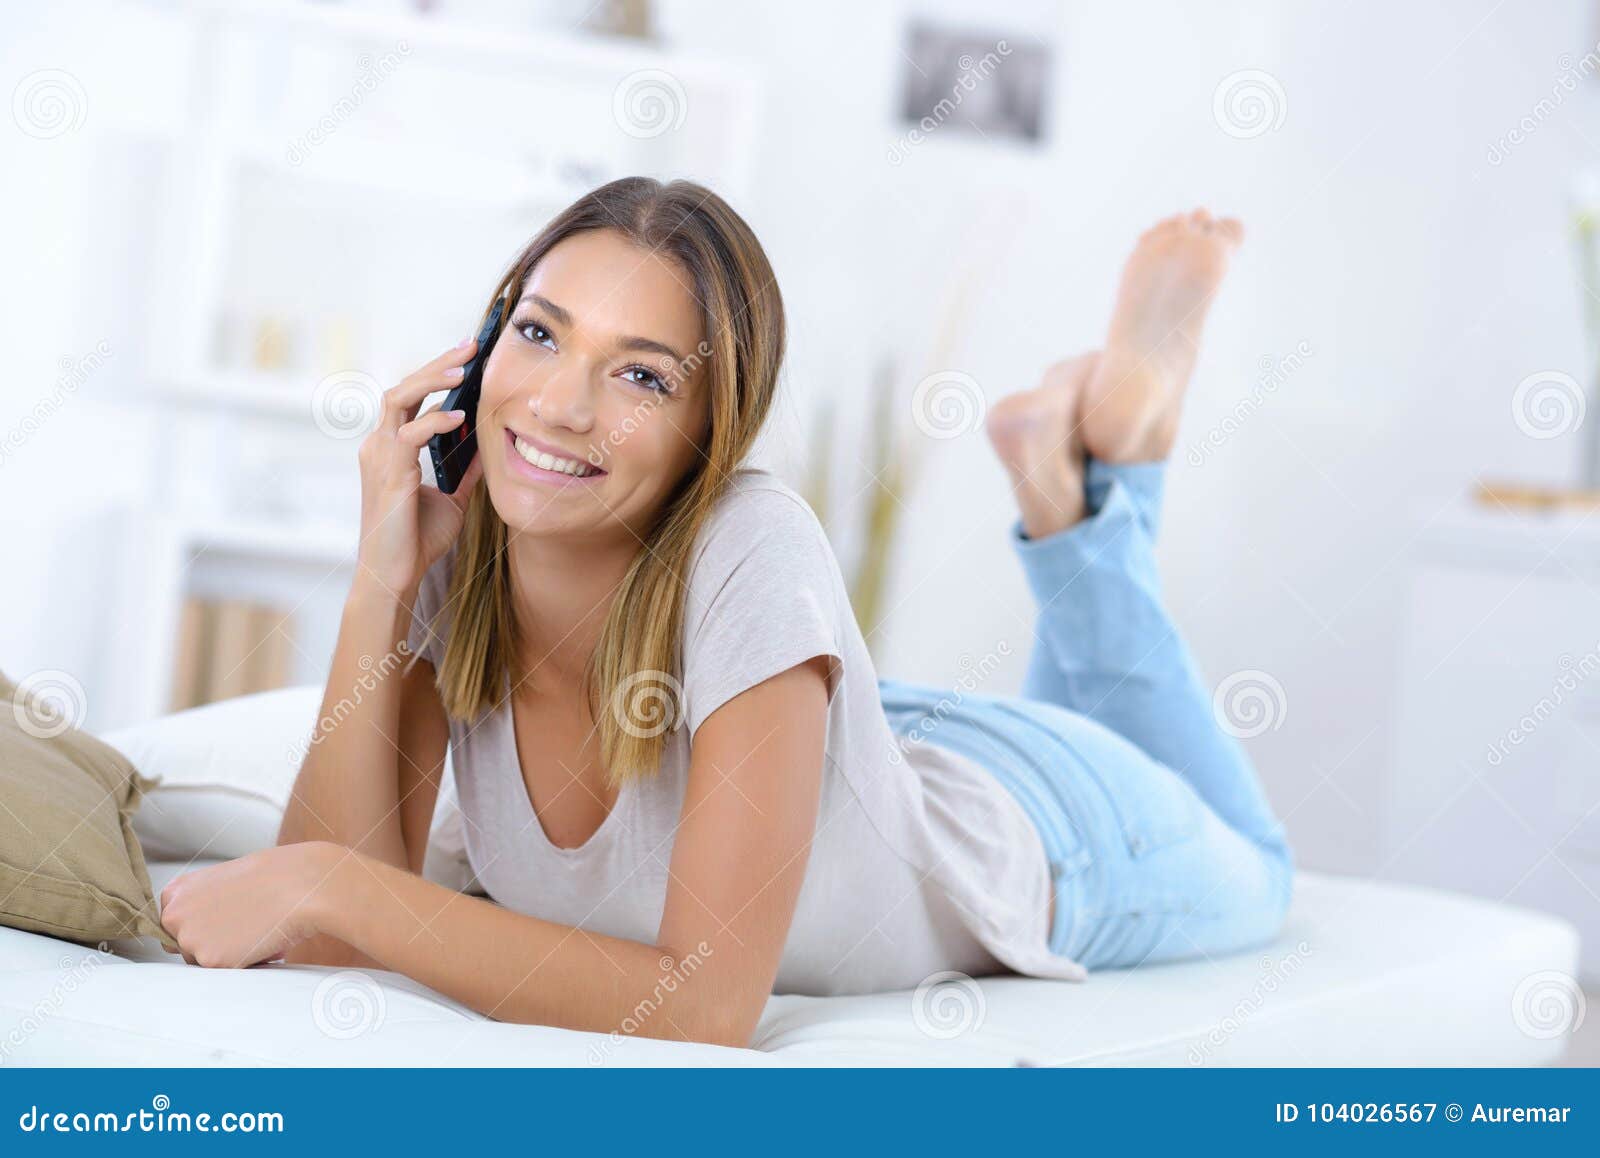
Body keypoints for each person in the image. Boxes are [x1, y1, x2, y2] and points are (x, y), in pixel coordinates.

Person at [159, 178, 1293, 1050]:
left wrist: (335, 883)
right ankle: (1081, 475)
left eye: (642, 376)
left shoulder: (753, 541)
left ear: (714, 429)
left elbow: (703, 1009)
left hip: (1058, 830)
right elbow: (311, 950)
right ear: (482, 344)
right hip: (878, 750)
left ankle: (1093, 491)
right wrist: (380, 582)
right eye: (541, 334)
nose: (559, 405)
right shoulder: (453, 540)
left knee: (1263, 865)